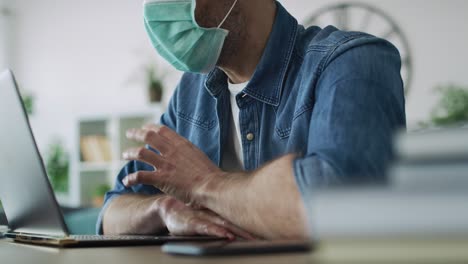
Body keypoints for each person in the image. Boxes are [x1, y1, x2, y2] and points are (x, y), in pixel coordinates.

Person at [97, 0, 406, 240]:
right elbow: (112, 209)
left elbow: (341, 203)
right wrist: (162, 209)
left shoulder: (352, 61)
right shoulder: (191, 91)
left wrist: (206, 184)